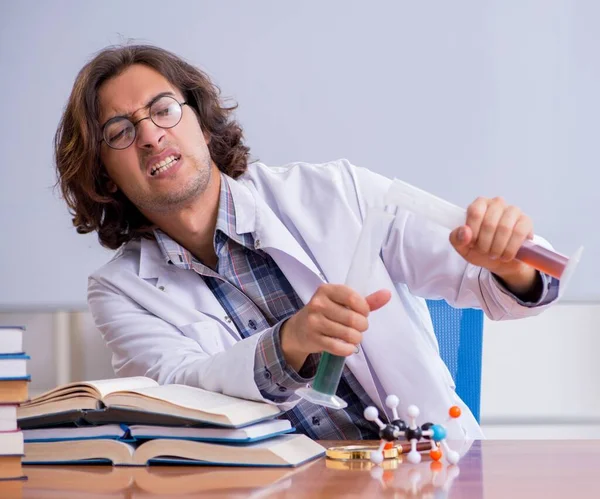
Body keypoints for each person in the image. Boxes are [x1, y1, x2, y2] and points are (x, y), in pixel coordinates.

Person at [54, 44, 558, 440]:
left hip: (420, 473)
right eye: (119, 131)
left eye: (163, 110)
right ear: (105, 173)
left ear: (202, 124)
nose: (149, 136)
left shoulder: (339, 192)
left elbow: (498, 285)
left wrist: (509, 262)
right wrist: (289, 343)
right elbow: (176, 398)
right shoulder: (120, 291)